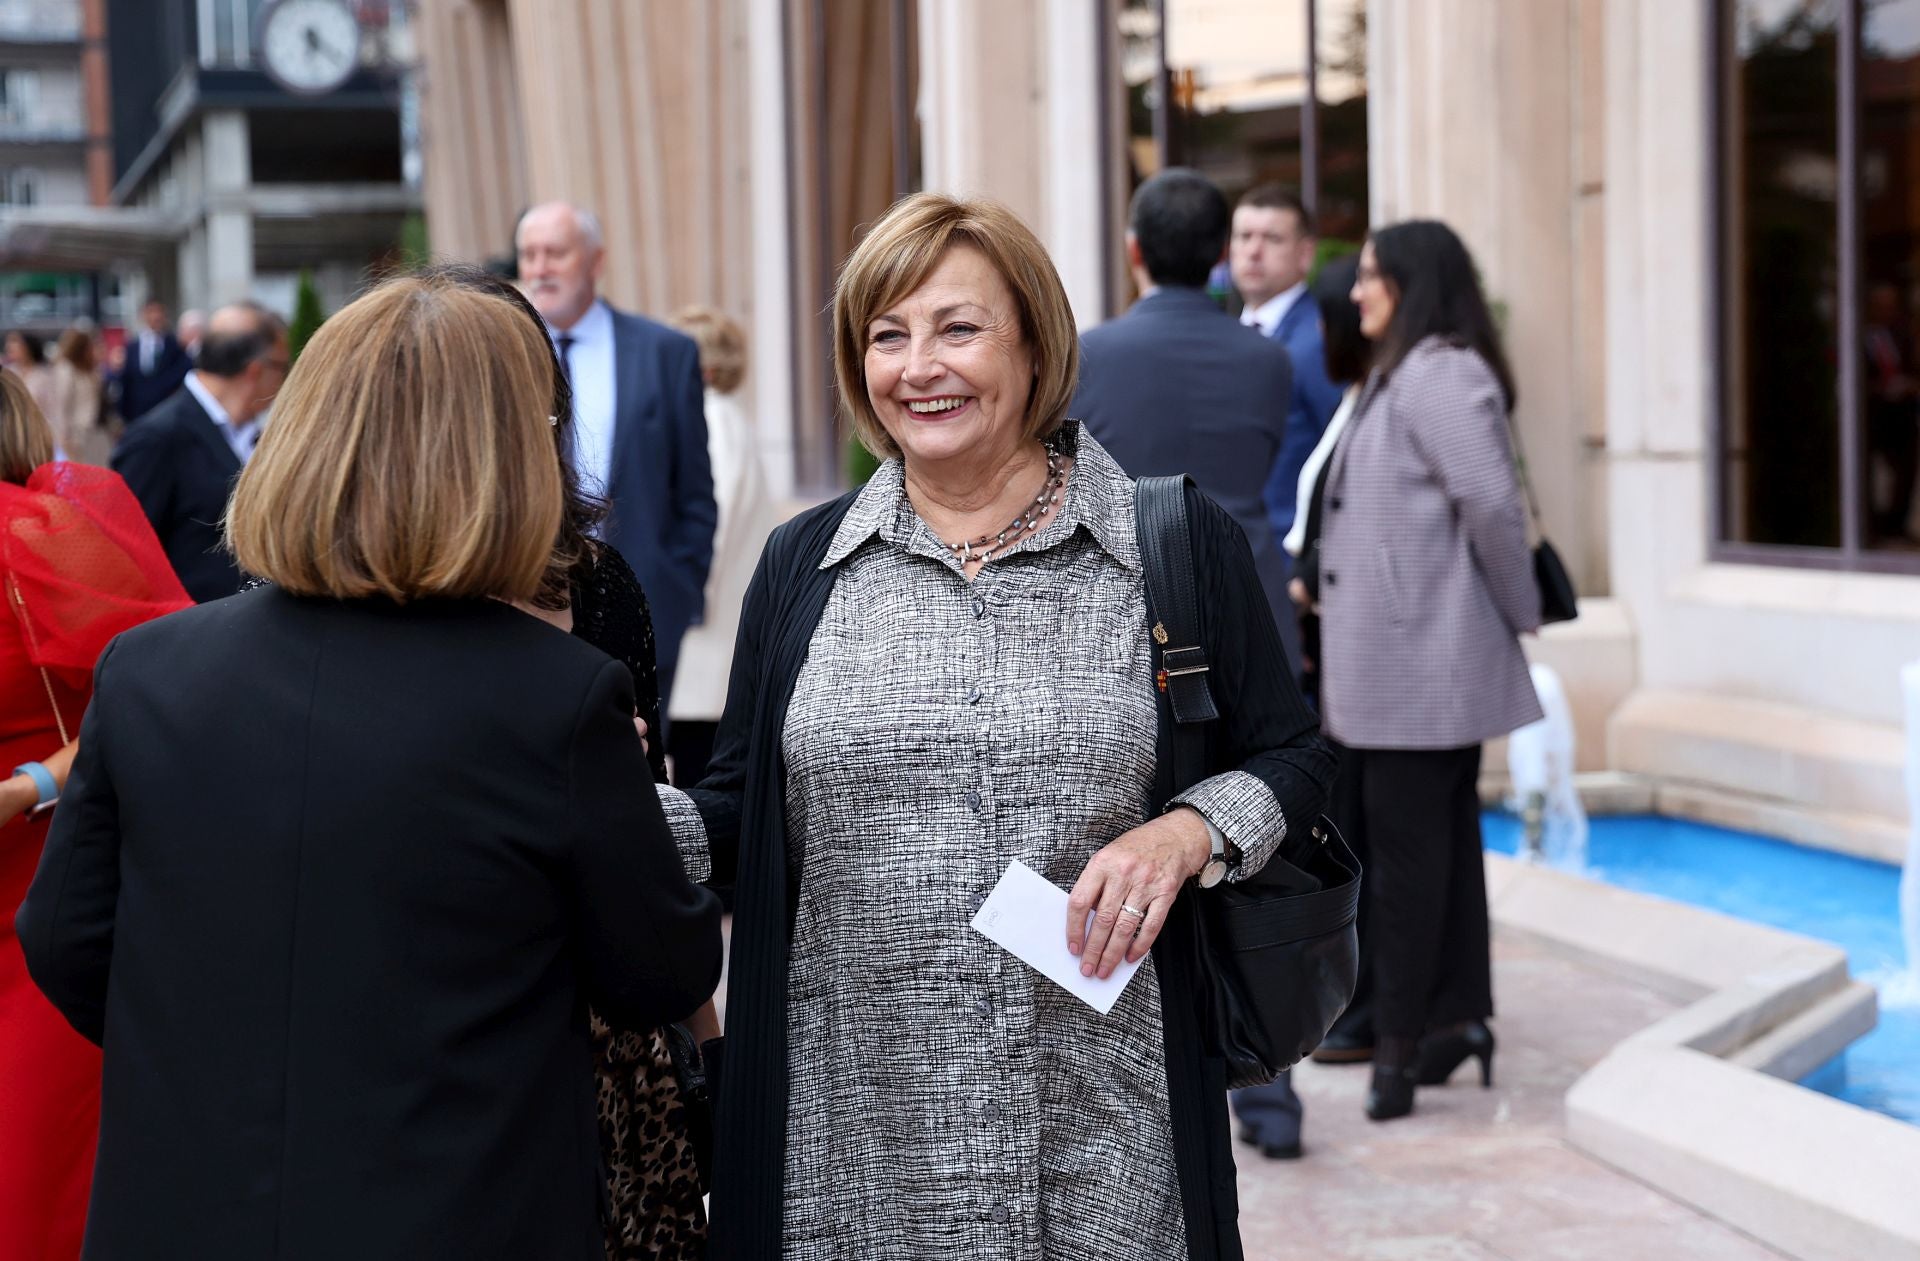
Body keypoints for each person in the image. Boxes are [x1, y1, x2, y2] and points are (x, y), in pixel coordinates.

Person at [659, 191, 1335, 1259]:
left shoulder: (1170, 541)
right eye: (887, 335)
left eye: (957, 328)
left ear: (1033, 344)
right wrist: (604, 811)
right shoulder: (803, 565)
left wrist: (1187, 831)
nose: (918, 365)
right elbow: (739, 809)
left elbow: (1295, 760)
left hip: (1103, 1134)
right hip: (849, 1146)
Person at [16, 270, 725, 1261]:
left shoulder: (153, 670)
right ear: (511, 457)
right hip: (460, 1205)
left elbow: (63, 938)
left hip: (187, 1203)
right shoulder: (552, 698)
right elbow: (663, 966)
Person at [436, 264, 715, 1259]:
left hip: (594, 1043)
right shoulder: (315, 595)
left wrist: (708, 1045)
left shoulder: (593, 583)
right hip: (422, 1027)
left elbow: (647, 842)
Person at [1071, 167, 1309, 1163]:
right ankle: (1270, 1091)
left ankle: (1138, 1076)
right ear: (1221, 254)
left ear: (1134, 250)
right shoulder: (1263, 363)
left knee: (1134, 840)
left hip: (1136, 624)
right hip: (1253, 612)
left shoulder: (1092, 355)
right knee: (1247, 846)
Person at [1318, 220, 1542, 1121]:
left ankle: (1401, 1052)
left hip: (1425, 668)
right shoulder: (1402, 374)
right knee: (1429, 850)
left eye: (1373, 276)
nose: (1358, 290)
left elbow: (1491, 501)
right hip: (1391, 668)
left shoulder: (1442, 370)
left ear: (1413, 285)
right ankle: (1453, 1024)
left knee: (1410, 861)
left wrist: (1522, 609)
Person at [0, 375, 191, 1261]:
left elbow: (152, 698)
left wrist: (27, 784)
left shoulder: (37, 535)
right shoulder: (57, 530)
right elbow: (163, 695)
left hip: (37, 917)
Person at [516, 202, 717, 712]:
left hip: (640, 605)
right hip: (519, 605)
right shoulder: (502, 355)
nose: (539, 268)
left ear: (596, 261)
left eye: (555, 253)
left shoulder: (664, 353)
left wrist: (678, 590)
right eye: (528, 254)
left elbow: (694, 490)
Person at [1280, 254, 1376, 1063]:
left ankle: (1375, 1008)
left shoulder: (1386, 399)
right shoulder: (1354, 398)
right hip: (1328, 640)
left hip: (1357, 651)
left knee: (1365, 835)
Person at [1232, 185, 1345, 671]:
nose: (1253, 251)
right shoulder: (1230, 335)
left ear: (1305, 254)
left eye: (1271, 239)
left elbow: (1343, 460)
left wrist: (1312, 572)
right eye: (1244, 236)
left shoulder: (1317, 341)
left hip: (1292, 580)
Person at [665, 305, 779, 787]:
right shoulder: (726, 419)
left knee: (699, 773)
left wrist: (679, 600)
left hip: (705, 632)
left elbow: (712, 524)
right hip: (713, 631)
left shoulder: (710, 421)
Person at [111, 302, 289, 601]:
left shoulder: (251, 432)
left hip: (248, 626)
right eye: (283, 367)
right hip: (191, 632)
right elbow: (123, 560)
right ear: (256, 370)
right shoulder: (156, 437)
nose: (285, 380)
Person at [1864, 282, 1918, 542]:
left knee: (1906, 471)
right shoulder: (1859, 337)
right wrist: (1878, 388)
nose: (1887, 310)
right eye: (1882, 305)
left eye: (1891, 305)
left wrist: (1908, 385)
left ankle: (1897, 527)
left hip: (1902, 414)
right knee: (1870, 475)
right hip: (1872, 416)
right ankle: (1873, 528)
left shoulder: (1902, 336)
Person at [113, 299, 192, 423]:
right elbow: (127, 379)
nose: (155, 317)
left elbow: (182, 372)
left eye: (158, 312)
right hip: (137, 412)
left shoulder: (174, 346)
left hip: (165, 409)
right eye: (151, 312)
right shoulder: (132, 347)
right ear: (143, 315)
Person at [46, 328, 108, 466]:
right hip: (76, 433)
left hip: (95, 430)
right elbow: (61, 405)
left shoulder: (91, 370)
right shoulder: (66, 369)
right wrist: (64, 435)